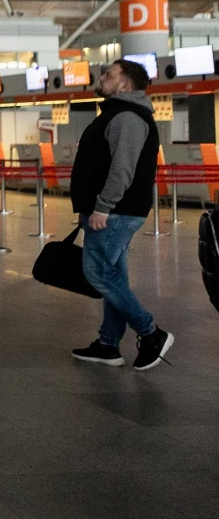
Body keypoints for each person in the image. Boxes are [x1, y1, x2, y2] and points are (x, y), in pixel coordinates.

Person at [70, 60, 173, 370]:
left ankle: (150, 333)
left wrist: (102, 206)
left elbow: (123, 169)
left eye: (109, 74)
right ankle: (108, 344)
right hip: (114, 210)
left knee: (99, 272)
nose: (102, 78)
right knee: (115, 277)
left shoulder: (127, 117)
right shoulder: (118, 113)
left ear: (126, 84)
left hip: (115, 212)